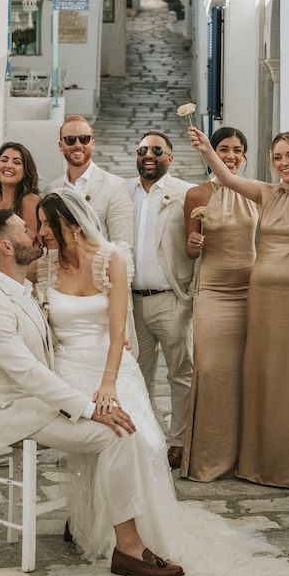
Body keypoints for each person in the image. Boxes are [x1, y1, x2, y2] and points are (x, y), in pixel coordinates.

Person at [0, 204, 183, 576]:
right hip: (18, 412)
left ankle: (115, 532)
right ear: (4, 247)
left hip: (42, 401)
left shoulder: (22, 289)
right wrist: (88, 407)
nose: (35, 233)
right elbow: (31, 374)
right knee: (118, 433)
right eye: (24, 229)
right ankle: (128, 548)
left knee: (125, 428)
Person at [189, 127, 289, 489]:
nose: (284, 163)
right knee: (259, 377)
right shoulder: (266, 193)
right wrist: (206, 148)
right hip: (260, 298)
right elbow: (225, 176)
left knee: (288, 381)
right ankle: (254, 465)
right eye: (277, 157)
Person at [181, 127, 258, 481]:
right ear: (212, 151)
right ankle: (210, 455)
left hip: (253, 291)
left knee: (248, 371)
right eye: (223, 148)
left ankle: (247, 456)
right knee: (211, 369)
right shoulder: (196, 193)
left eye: (237, 150)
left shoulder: (257, 193)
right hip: (213, 290)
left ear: (245, 155)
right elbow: (189, 250)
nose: (230, 155)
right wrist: (195, 244)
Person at [125, 131, 194, 469]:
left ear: (171, 156)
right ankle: (148, 437)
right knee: (138, 374)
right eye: (142, 150)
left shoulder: (185, 194)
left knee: (181, 373)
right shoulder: (124, 192)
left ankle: (179, 441)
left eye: (156, 150)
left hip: (171, 299)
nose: (148, 155)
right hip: (131, 302)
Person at [45, 115, 133, 254]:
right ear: (61, 145)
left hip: (100, 272)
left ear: (93, 143)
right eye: (70, 140)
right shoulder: (51, 190)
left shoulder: (115, 186)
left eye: (84, 139)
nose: (78, 145)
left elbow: (122, 245)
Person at [0, 142, 40, 233]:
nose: (9, 166)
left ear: (25, 172)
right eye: (4, 160)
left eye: (17, 162)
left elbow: (31, 242)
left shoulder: (30, 201)